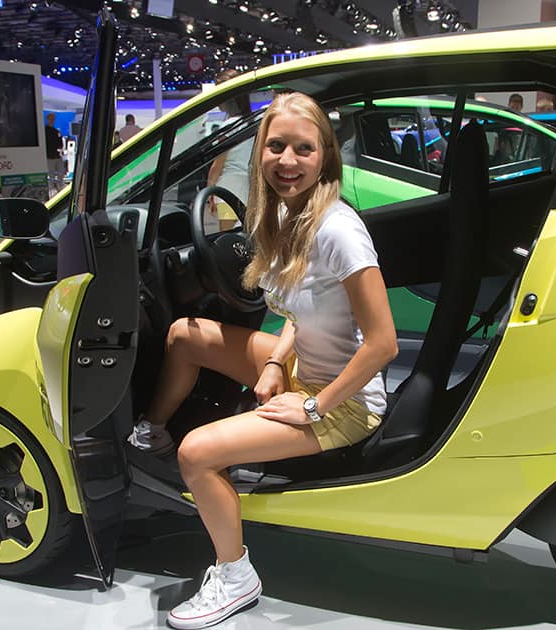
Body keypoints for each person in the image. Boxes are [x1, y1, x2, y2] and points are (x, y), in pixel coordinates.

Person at [128, 92, 398, 629]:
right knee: (184, 335)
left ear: (325, 157)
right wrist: (275, 362)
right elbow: (303, 312)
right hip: (300, 371)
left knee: (197, 454)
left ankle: (235, 576)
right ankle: (149, 431)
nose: (288, 161)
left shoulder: (338, 231)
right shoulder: (282, 213)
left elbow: (383, 344)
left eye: (304, 148)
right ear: (260, 152)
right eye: (276, 146)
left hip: (345, 403)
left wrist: (315, 408)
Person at [205, 69, 252, 231]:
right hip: (248, 188)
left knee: (226, 237)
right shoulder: (253, 123)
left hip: (228, 188)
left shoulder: (227, 127)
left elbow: (218, 164)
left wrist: (210, 190)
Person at [44, 113, 64, 193]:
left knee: (61, 172)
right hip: (49, 156)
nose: (52, 120)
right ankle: (51, 191)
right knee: (51, 175)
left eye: (53, 119)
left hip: (57, 156)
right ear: (48, 119)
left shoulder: (56, 131)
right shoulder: (45, 131)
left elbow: (60, 144)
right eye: (51, 118)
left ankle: (60, 189)